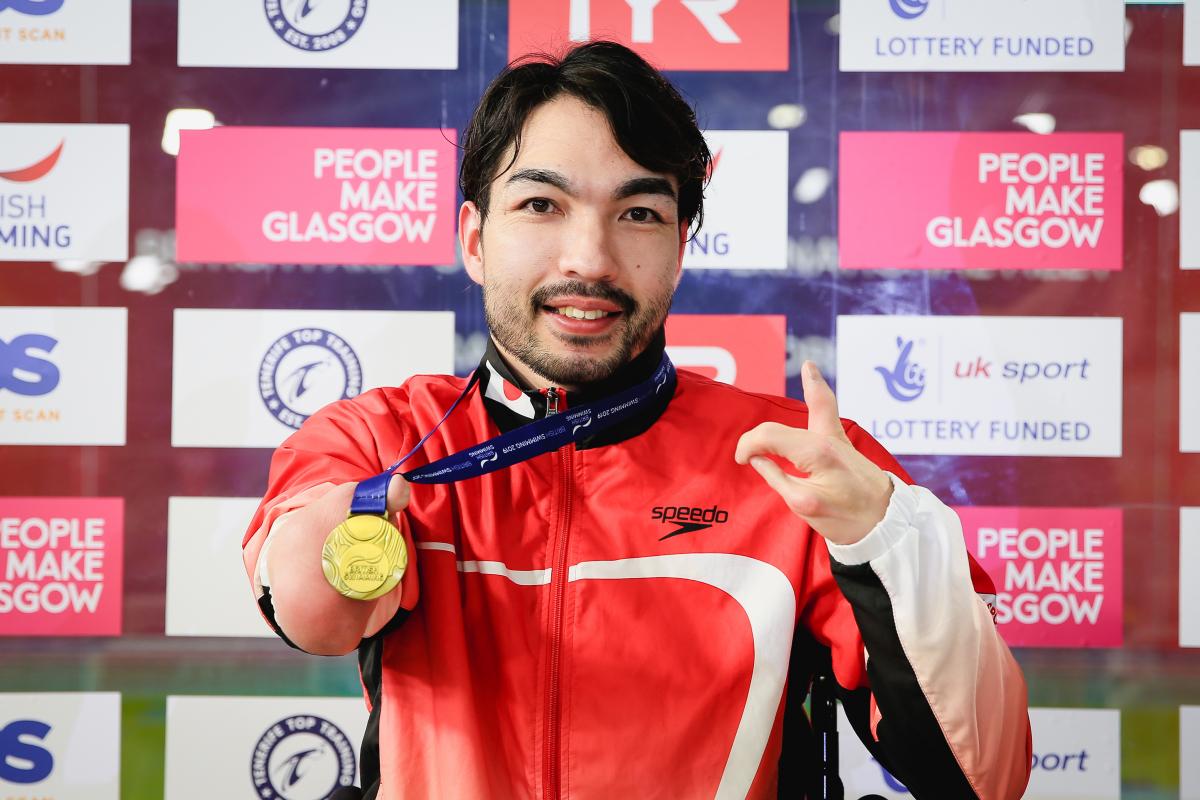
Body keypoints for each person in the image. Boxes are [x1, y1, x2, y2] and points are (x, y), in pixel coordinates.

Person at [242, 40, 1032, 800]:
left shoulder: (805, 471)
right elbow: (314, 618)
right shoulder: (378, 443)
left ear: (682, 246)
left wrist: (884, 540)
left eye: (640, 213)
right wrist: (338, 538)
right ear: (476, 239)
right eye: (542, 205)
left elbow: (981, 777)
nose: (588, 258)